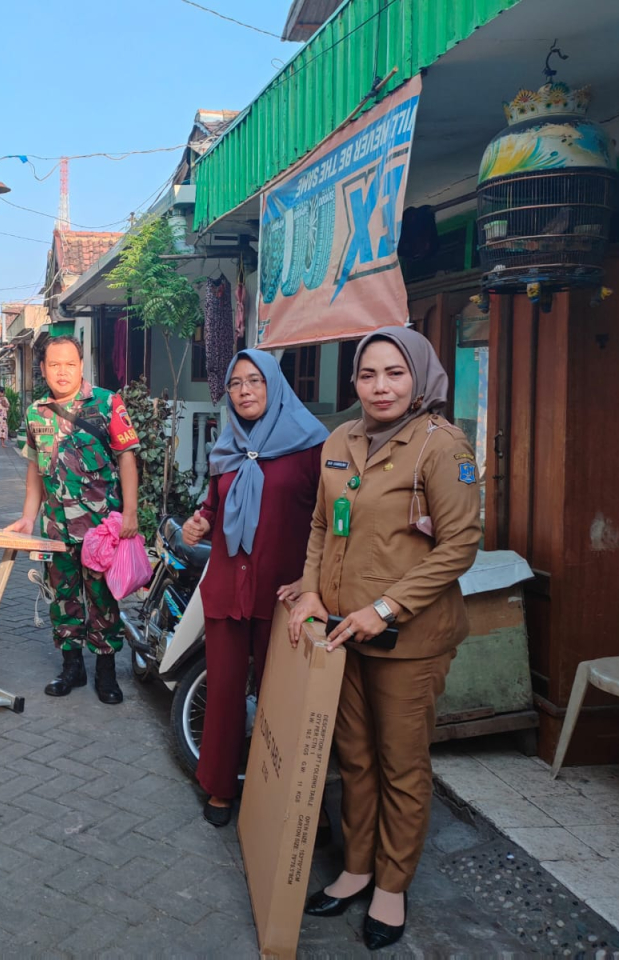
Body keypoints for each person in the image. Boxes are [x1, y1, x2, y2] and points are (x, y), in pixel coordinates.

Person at [289, 326, 480, 950]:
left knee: (402, 763)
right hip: (343, 634)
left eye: (395, 373)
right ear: (355, 382)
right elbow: (322, 524)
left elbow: (460, 546)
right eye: (368, 374)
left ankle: (392, 885)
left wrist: (387, 605)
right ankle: (356, 868)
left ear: (418, 375)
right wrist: (313, 590)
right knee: (355, 759)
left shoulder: (441, 445)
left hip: (410, 640)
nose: (381, 387)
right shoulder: (340, 439)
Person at [181, 350, 327, 827]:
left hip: (281, 593)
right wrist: (199, 523)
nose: (245, 392)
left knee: (279, 694)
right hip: (228, 588)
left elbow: (328, 523)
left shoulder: (311, 447)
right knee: (223, 691)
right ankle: (220, 789)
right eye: (236, 384)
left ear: (276, 386)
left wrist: (312, 580)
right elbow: (213, 508)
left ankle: (288, 798)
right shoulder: (226, 448)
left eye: (255, 381)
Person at [6, 335, 140, 704]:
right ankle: (72, 668)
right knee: (62, 596)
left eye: (69, 364)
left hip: (100, 527)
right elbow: (35, 468)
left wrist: (130, 512)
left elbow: (127, 457)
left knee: (102, 597)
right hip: (55, 526)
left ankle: (107, 671)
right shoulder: (36, 413)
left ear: (82, 366)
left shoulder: (106, 403)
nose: (62, 371)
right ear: (44, 369)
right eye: (54, 365)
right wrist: (27, 517)